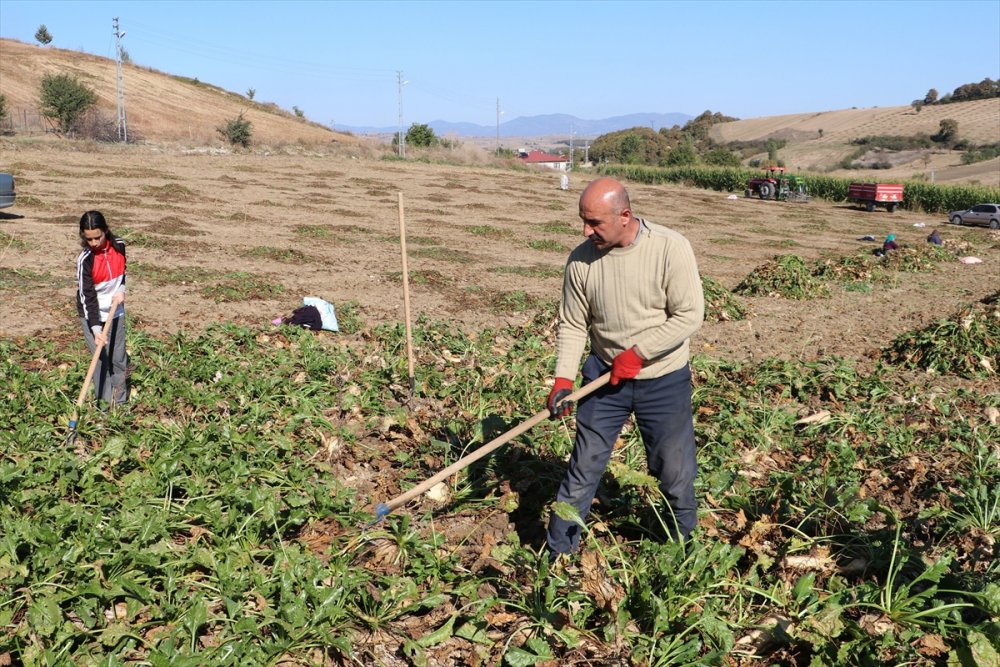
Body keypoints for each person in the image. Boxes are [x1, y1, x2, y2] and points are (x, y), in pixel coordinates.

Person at [544, 177, 705, 555]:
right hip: (603, 379)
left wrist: (639, 352)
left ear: (625, 215)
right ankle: (558, 556)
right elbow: (572, 323)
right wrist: (563, 379)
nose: (587, 231)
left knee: (674, 472)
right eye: (583, 221)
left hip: (662, 379)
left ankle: (681, 550)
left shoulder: (670, 248)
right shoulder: (581, 260)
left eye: (595, 223)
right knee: (583, 468)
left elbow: (689, 315)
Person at [76, 210, 129, 406]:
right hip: (92, 315)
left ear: (106, 231)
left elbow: (123, 271)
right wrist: (96, 328)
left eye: (97, 237)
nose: (94, 243)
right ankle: (104, 408)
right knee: (100, 362)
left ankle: (121, 404)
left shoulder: (120, 246)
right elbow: (87, 297)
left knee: (119, 359)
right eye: (89, 239)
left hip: (116, 311)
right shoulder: (85, 260)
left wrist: (122, 289)